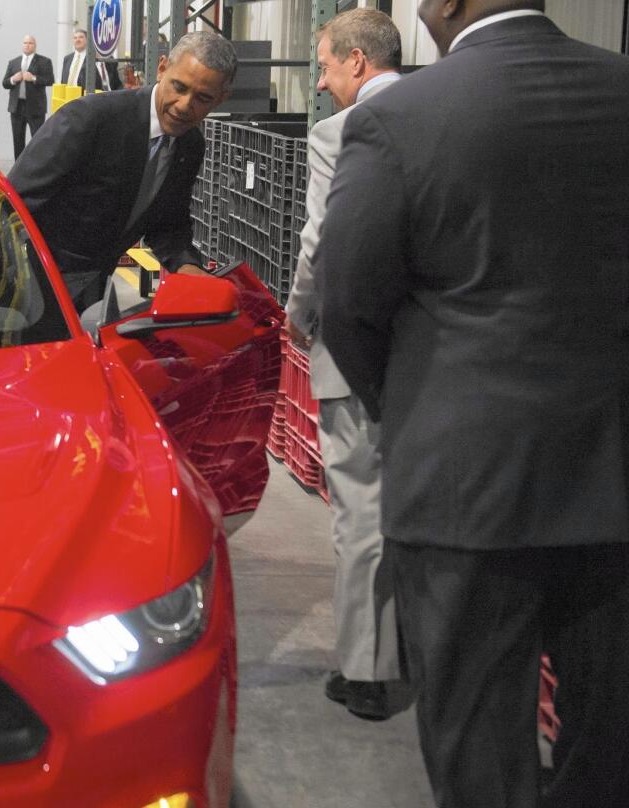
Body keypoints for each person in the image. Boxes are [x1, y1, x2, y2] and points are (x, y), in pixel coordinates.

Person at [317, 1, 629, 806]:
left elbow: (347, 301)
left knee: (480, 755)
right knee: (605, 750)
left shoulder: (403, 119)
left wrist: (412, 411)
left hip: (464, 495)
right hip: (611, 484)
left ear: (447, 5)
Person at [284, 7, 404, 721]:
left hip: (357, 349)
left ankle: (365, 670)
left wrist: (298, 316)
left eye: (326, 67)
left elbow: (322, 239)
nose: (324, 84)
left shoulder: (342, 131)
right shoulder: (445, 109)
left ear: (357, 61)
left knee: (360, 508)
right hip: (437, 354)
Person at [8, 30, 236, 310]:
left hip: (94, 284)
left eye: (202, 98)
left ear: (221, 98)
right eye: (179, 87)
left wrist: (187, 266)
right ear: (162, 68)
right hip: (34, 282)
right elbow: (13, 201)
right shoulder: (91, 118)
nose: (184, 105)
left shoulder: (189, 145)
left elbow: (168, 224)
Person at [2, 35, 54, 160]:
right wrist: (13, 79)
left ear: (35, 46)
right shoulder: (13, 62)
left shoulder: (44, 61)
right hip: (16, 107)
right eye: (25, 42)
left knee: (37, 140)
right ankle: (18, 169)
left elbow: (50, 80)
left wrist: (34, 78)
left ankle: (36, 167)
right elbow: (5, 83)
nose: (27, 45)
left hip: (35, 107)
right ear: (22, 45)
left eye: (30, 43)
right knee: (18, 139)